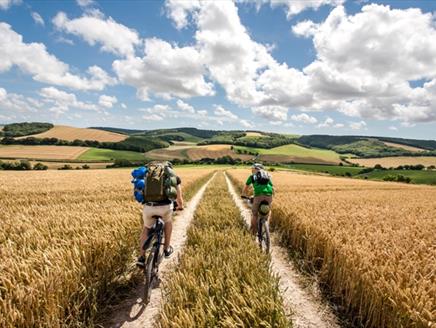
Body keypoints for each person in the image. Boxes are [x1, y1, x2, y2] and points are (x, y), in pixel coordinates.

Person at [136, 164, 184, 268]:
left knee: (146, 228)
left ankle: (141, 257)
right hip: (165, 208)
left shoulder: (147, 176)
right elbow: (179, 198)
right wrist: (180, 206)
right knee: (168, 222)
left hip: (149, 208)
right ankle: (166, 249)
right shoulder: (173, 178)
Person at [241, 163, 273, 235]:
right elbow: (272, 187)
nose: (252, 170)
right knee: (268, 211)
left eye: (252, 169)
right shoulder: (267, 176)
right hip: (269, 195)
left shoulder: (252, 176)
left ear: (255, 169)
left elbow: (246, 187)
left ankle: (253, 232)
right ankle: (266, 224)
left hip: (258, 195)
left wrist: (243, 194)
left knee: (255, 214)